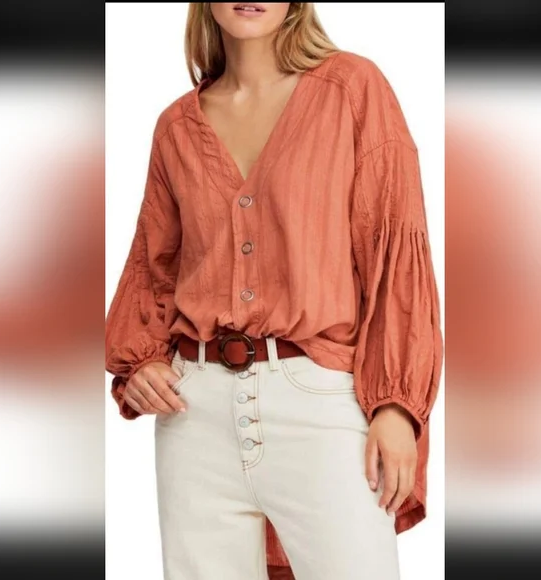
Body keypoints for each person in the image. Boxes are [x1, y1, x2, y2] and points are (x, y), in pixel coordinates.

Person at [105, 3, 443, 580]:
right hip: (194, 415)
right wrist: (139, 361)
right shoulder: (176, 127)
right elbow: (153, 264)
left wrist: (395, 405)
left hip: (322, 406)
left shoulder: (353, 91)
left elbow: (394, 254)